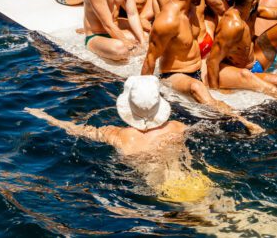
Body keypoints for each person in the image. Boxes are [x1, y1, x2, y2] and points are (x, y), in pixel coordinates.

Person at [25, 76, 219, 206]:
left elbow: (78, 130)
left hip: (164, 192)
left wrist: (46, 117)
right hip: (196, 181)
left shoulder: (118, 135)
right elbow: (205, 127)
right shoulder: (177, 127)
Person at [141, 0, 263, 134]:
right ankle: (244, 123)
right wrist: (143, 97)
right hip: (174, 75)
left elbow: (220, 8)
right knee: (197, 87)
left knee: (243, 76)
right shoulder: (167, 21)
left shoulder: (193, 8)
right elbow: (150, 59)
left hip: (199, 66)